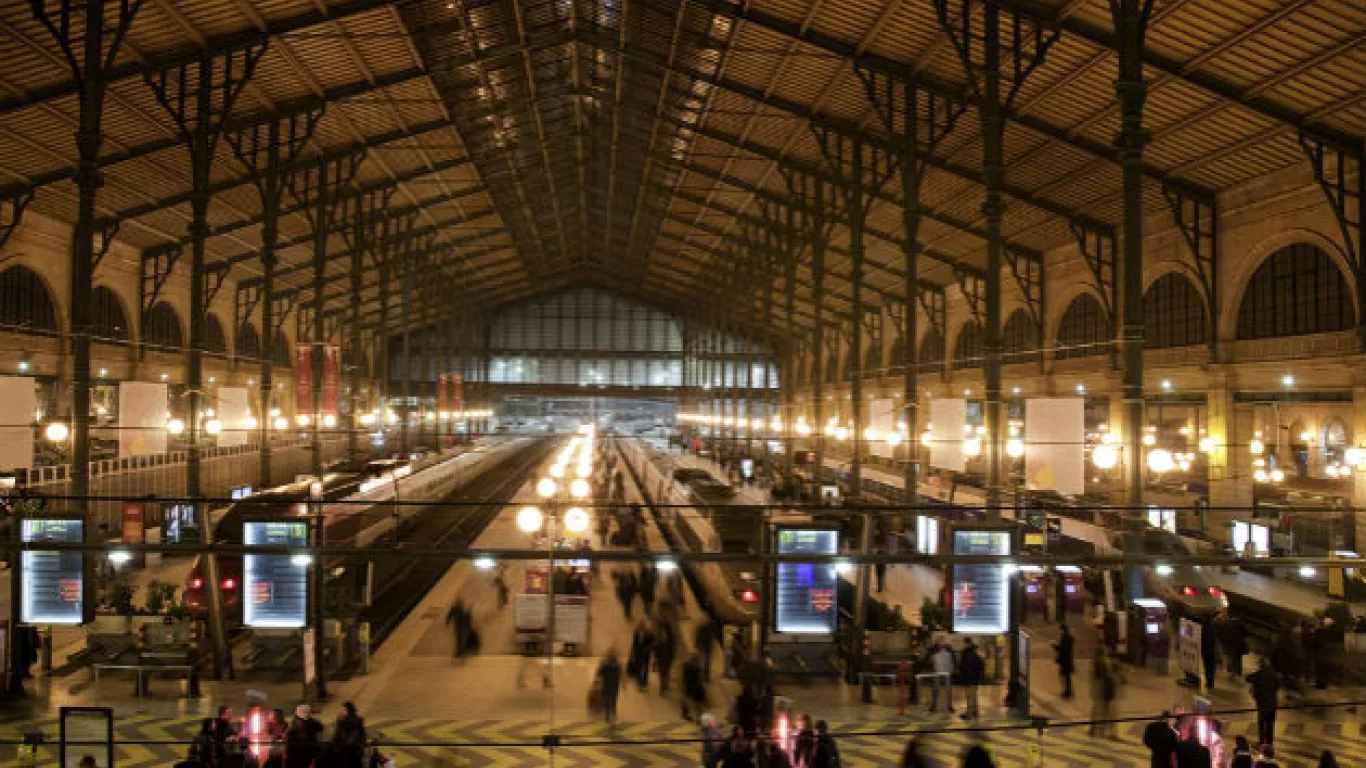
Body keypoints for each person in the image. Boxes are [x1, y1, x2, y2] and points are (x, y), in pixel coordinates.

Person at [1246, 657, 1280, 747]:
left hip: (1262, 704)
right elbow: (1278, 685)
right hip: (1272, 704)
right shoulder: (1273, 674)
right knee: (1270, 725)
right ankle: (1269, 744)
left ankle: (1261, 742)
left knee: (1261, 723)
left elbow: (1248, 678)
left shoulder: (1259, 674)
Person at [332, 702, 367, 768]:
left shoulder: (355, 721)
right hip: (347, 751)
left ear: (348, 710)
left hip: (352, 751)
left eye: (343, 710)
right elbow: (337, 735)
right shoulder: (342, 721)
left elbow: (361, 734)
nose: (341, 711)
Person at [958, 639, 985, 721]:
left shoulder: (966, 654)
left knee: (969, 697)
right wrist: (978, 676)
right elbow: (981, 665)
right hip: (975, 679)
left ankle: (969, 715)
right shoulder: (976, 653)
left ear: (967, 644)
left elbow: (963, 667)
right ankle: (975, 712)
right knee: (974, 696)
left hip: (968, 679)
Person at [928, 640, 955, 713]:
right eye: (940, 643)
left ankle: (942, 706)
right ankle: (936, 706)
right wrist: (951, 671)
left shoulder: (947, 651)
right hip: (941, 673)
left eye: (942, 643)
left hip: (942, 673)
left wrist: (951, 671)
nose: (941, 645)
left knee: (945, 690)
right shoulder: (936, 651)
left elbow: (931, 661)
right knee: (937, 690)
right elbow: (952, 662)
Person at [629, 621, 656, 690]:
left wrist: (647, 648)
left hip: (646, 654)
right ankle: (639, 681)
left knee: (645, 667)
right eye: (640, 627)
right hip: (638, 653)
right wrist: (633, 653)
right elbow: (634, 644)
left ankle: (644, 680)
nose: (641, 628)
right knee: (638, 666)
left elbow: (653, 643)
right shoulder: (637, 633)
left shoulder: (649, 634)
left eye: (642, 627)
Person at [597, 650, 622, 723]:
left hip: (606, 685)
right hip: (614, 686)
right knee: (613, 699)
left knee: (607, 699)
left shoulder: (605, 667)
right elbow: (620, 676)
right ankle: (612, 711)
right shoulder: (617, 667)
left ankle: (607, 714)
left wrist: (601, 663)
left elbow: (599, 674)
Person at [683, 652, 707, 720]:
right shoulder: (697, 667)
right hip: (696, 687)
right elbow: (699, 678)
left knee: (688, 700)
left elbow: (685, 677)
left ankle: (685, 714)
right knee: (698, 703)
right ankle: (699, 717)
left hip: (689, 686)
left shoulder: (687, 666)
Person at [655, 619, 678, 693]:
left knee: (666, 672)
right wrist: (656, 657)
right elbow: (657, 649)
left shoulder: (671, 640)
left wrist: (672, 657)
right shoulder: (659, 639)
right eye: (662, 632)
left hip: (667, 659)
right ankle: (663, 686)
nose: (663, 633)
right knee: (662, 673)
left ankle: (664, 685)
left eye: (664, 632)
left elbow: (673, 650)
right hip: (661, 659)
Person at [1055, 622, 1075, 699]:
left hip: (1065, 661)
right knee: (1066, 677)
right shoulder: (1068, 637)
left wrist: (1055, 646)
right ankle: (1067, 691)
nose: (1060, 631)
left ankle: (1068, 692)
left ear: (1063, 630)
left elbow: (1063, 649)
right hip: (1067, 660)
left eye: (1060, 630)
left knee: (1065, 677)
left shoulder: (1065, 638)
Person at [1200, 617, 1220, 691]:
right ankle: (1211, 681)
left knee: (1206, 666)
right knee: (1211, 667)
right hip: (1212, 651)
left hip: (1205, 651)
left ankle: (1208, 682)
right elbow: (1216, 640)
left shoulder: (1202, 629)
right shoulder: (1213, 628)